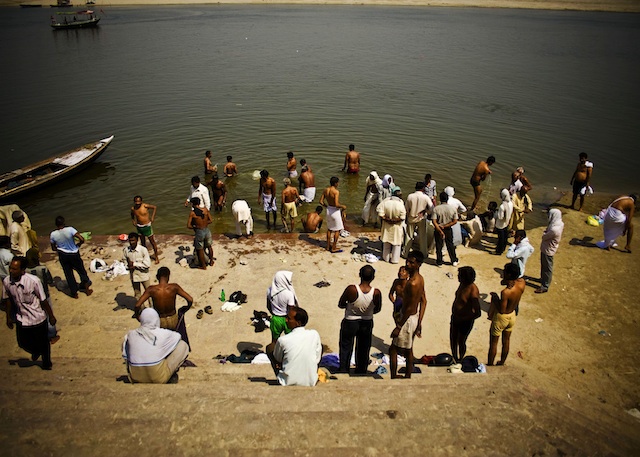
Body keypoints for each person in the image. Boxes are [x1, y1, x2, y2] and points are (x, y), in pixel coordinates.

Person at [3, 257, 57, 370]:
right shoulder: (7, 281)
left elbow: (43, 300)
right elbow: (7, 299)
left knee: (44, 343)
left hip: (37, 318)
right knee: (22, 343)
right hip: (22, 318)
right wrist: (8, 317)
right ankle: (36, 351)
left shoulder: (33, 281)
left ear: (22, 270)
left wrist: (51, 316)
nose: (11, 271)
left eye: (15, 269)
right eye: (11, 268)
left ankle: (47, 363)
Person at [122, 308, 190, 384]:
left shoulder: (131, 334)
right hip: (157, 377)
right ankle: (170, 374)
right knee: (182, 345)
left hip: (135, 376)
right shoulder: (162, 333)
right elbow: (178, 337)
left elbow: (125, 355)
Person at [337, 265, 382, 374]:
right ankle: (361, 370)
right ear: (373, 277)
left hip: (350, 321)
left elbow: (341, 304)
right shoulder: (376, 293)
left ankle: (343, 369)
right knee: (363, 347)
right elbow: (378, 309)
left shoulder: (352, 289)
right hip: (367, 322)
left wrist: (351, 308)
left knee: (346, 346)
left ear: (359, 275)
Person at [134, 267, 193, 347]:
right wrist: (185, 309)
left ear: (157, 277)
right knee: (175, 341)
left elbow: (137, 305)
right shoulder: (174, 287)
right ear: (168, 276)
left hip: (159, 321)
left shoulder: (151, 289)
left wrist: (138, 316)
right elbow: (190, 299)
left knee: (162, 344)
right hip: (173, 319)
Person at [389, 251, 426, 379]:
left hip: (407, 319)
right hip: (413, 318)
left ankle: (395, 376)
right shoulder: (420, 279)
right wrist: (419, 322)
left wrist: (399, 326)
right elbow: (423, 302)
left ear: (418, 264)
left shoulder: (412, 283)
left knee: (393, 349)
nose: (408, 264)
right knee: (409, 349)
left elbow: (409, 308)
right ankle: (407, 376)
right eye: (407, 261)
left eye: (411, 262)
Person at [271, 307, 322, 387]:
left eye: (289, 319)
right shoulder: (314, 334)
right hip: (311, 381)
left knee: (270, 348)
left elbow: (278, 358)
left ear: (298, 323)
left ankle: (282, 376)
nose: (286, 320)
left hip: (287, 382)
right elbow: (317, 358)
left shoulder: (283, 340)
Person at [488, 263, 525, 366]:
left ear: (508, 275)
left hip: (502, 318)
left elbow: (502, 310)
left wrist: (495, 299)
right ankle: (502, 362)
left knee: (493, 343)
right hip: (512, 315)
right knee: (506, 341)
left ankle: (490, 364)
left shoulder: (505, 292)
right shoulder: (522, 284)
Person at [50, 216, 93, 298]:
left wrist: (59, 249)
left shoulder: (53, 234)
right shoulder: (70, 229)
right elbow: (81, 238)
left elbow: (53, 247)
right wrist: (78, 245)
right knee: (81, 271)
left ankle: (74, 293)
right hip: (74, 253)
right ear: (64, 223)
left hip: (63, 255)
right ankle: (86, 289)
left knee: (68, 273)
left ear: (56, 224)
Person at [450, 266, 481, 362]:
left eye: (460, 275)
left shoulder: (473, 291)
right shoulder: (462, 285)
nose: (457, 277)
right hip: (455, 317)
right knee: (453, 339)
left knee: (461, 341)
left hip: (465, 321)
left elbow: (477, 313)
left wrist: (464, 318)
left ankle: (461, 359)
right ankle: (454, 357)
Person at [402, 182, 433, 259]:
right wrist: (425, 211)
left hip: (411, 218)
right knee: (423, 236)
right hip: (421, 219)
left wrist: (408, 216)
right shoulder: (426, 197)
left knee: (409, 236)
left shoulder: (410, 196)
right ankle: (424, 254)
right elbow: (432, 209)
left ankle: (405, 253)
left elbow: (406, 209)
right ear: (423, 189)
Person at [536, 209, 564, 294]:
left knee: (547, 267)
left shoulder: (554, 229)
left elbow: (544, 237)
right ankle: (543, 279)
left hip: (548, 249)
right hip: (549, 247)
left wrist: (544, 232)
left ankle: (545, 286)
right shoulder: (560, 224)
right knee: (544, 265)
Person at [377, 189, 407, 264]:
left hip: (386, 226)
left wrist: (388, 220)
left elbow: (381, 214)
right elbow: (402, 217)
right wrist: (393, 221)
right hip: (397, 227)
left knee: (386, 242)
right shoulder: (401, 204)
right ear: (399, 196)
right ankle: (394, 260)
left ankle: (386, 258)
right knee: (396, 244)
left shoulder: (386, 203)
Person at [319, 177, 346, 253]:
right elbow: (337, 204)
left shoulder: (326, 190)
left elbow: (321, 201)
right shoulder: (336, 192)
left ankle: (328, 246)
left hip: (328, 210)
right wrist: (343, 206)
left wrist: (326, 206)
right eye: (338, 183)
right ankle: (333, 247)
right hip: (335, 211)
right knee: (337, 230)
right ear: (335, 183)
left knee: (329, 229)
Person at [432, 192, 459, 267]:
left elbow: (434, 221)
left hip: (438, 228)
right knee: (450, 245)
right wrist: (446, 225)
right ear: (447, 199)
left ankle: (439, 261)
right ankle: (453, 260)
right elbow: (455, 221)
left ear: (440, 199)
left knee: (439, 245)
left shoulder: (436, 209)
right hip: (448, 229)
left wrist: (440, 230)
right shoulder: (453, 208)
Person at [130, 195, 160, 264]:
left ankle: (156, 257)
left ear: (141, 201)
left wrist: (152, 217)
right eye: (136, 202)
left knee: (152, 242)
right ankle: (145, 257)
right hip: (139, 226)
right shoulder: (133, 208)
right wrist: (133, 220)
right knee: (143, 243)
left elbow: (154, 207)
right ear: (134, 202)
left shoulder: (145, 206)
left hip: (147, 226)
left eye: (139, 202)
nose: (137, 204)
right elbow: (132, 214)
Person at [187, 197, 214, 270]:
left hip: (199, 231)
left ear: (192, 204)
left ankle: (203, 266)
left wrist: (195, 226)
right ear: (199, 203)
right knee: (209, 246)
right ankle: (211, 261)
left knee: (200, 249)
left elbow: (188, 226)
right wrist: (204, 223)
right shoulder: (205, 210)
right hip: (207, 230)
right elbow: (211, 220)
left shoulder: (192, 213)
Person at [123, 232, 151, 301]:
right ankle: (141, 309)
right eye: (130, 241)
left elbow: (147, 264)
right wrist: (128, 266)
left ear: (137, 240)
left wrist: (134, 264)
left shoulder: (143, 250)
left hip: (144, 275)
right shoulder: (126, 250)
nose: (131, 242)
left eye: (133, 240)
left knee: (149, 293)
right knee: (137, 294)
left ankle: (152, 309)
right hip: (134, 276)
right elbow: (124, 260)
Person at [495, 189, 513, 256]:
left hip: (500, 224)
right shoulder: (511, 203)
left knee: (500, 238)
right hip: (506, 222)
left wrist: (496, 213)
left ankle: (498, 251)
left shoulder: (502, 206)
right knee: (505, 237)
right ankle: (503, 249)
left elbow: (500, 217)